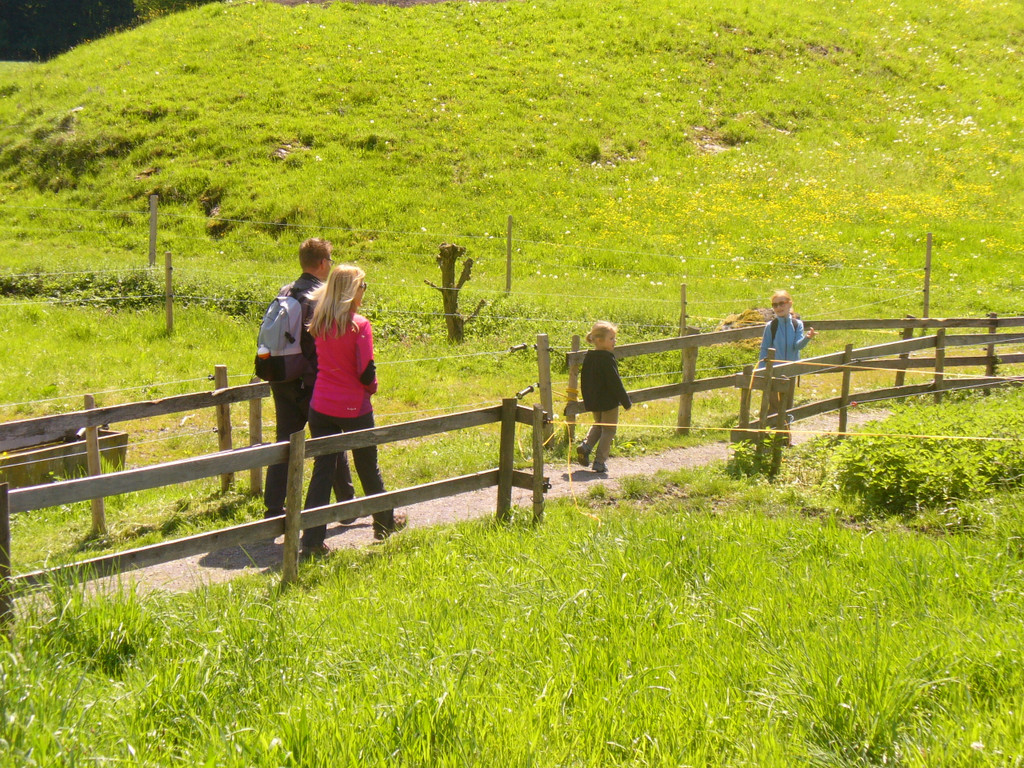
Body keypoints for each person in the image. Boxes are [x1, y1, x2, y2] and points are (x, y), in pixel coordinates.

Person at [301, 264, 398, 556]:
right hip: (354, 407)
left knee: (322, 471)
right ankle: (384, 524)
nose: (364, 291)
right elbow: (366, 371)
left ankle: (312, 541)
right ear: (351, 290)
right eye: (362, 285)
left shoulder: (319, 321)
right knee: (367, 466)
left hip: (320, 405)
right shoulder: (360, 325)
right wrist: (372, 389)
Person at [264, 237, 351, 520]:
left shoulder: (285, 291)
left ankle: (273, 508)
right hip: (311, 383)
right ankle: (346, 506)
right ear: (324, 263)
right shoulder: (320, 296)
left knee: (285, 442)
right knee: (329, 443)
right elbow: (322, 343)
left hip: (281, 377)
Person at [757, 289, 817, 442]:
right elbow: (764, 349)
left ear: (790, 304)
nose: (778, 307)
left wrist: (807, 338)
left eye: (782, 303)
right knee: (773, 405)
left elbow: (797, 346)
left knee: (787, 405)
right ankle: (768, 438)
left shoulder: (797, 325)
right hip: (773, 371)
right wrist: (761, 370)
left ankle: (785, 439)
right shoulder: (771, 326)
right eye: (775, 305)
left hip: (790, 371)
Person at [575, 321, 631, 474]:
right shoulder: (607, 358)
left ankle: (586, 446)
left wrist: (588, 400)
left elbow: (585, 380)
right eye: (611, 338)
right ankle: (600, 461)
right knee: (609, 430)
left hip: (594, 400)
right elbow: (615, 382)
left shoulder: (589, 357)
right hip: (608, 402)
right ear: (599, 340)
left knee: (599, 425)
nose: (615, 341)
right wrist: (625, 401)